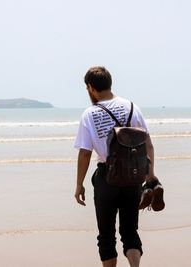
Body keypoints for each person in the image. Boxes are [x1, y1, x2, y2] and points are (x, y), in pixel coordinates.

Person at [74, 66, 157, 267]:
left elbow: (85, 152)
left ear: (90, 88)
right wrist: (150, 176)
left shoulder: (90, 114)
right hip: (133, 175)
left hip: (106, 178)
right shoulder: (131, 107)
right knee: (130, 231)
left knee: (106, 236)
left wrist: (79, 184)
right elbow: (148, 144)